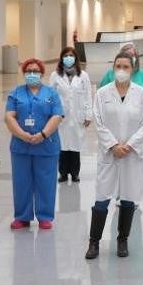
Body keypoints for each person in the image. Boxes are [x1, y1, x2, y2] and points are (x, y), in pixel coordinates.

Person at [87, 53, 143, 260]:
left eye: (126, 66)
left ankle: (122, 239)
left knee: (128, 197)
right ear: (113, 67)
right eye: (118, 66)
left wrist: (130, 145)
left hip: (131, 155)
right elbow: (98, 121)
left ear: (132, 69)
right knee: (101, 198)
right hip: (109, 154)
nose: (122, 70)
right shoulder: (102, 93)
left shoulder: (141, 94)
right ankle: (94, 242)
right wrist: (114, 145)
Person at [5, 58, 64, 230]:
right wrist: (22, 134)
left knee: (46, 181)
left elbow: (57, 116)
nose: (32, 74)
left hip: (46, 145)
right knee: (21, 182)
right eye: (28, 71)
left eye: (35, 71)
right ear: (24, 73)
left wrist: (43, 134)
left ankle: (44, 216)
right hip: (21, 145)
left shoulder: (51, 94)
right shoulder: (16, 93)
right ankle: (22, 217)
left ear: (41, 73)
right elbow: (9, 116)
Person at [47, 46, 93, 184]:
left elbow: (88, 96)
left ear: (75, 58)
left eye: (71, 55)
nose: (68, 58)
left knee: (75, 146)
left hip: (78, 115)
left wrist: (88, 115)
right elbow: (50, 96)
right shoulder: (55, 75)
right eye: (66, 55)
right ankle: (62, 173)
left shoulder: (83, 75)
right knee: (62, 145)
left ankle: (74, 173)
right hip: (61, 116)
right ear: (62, 58)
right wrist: (51, 114)